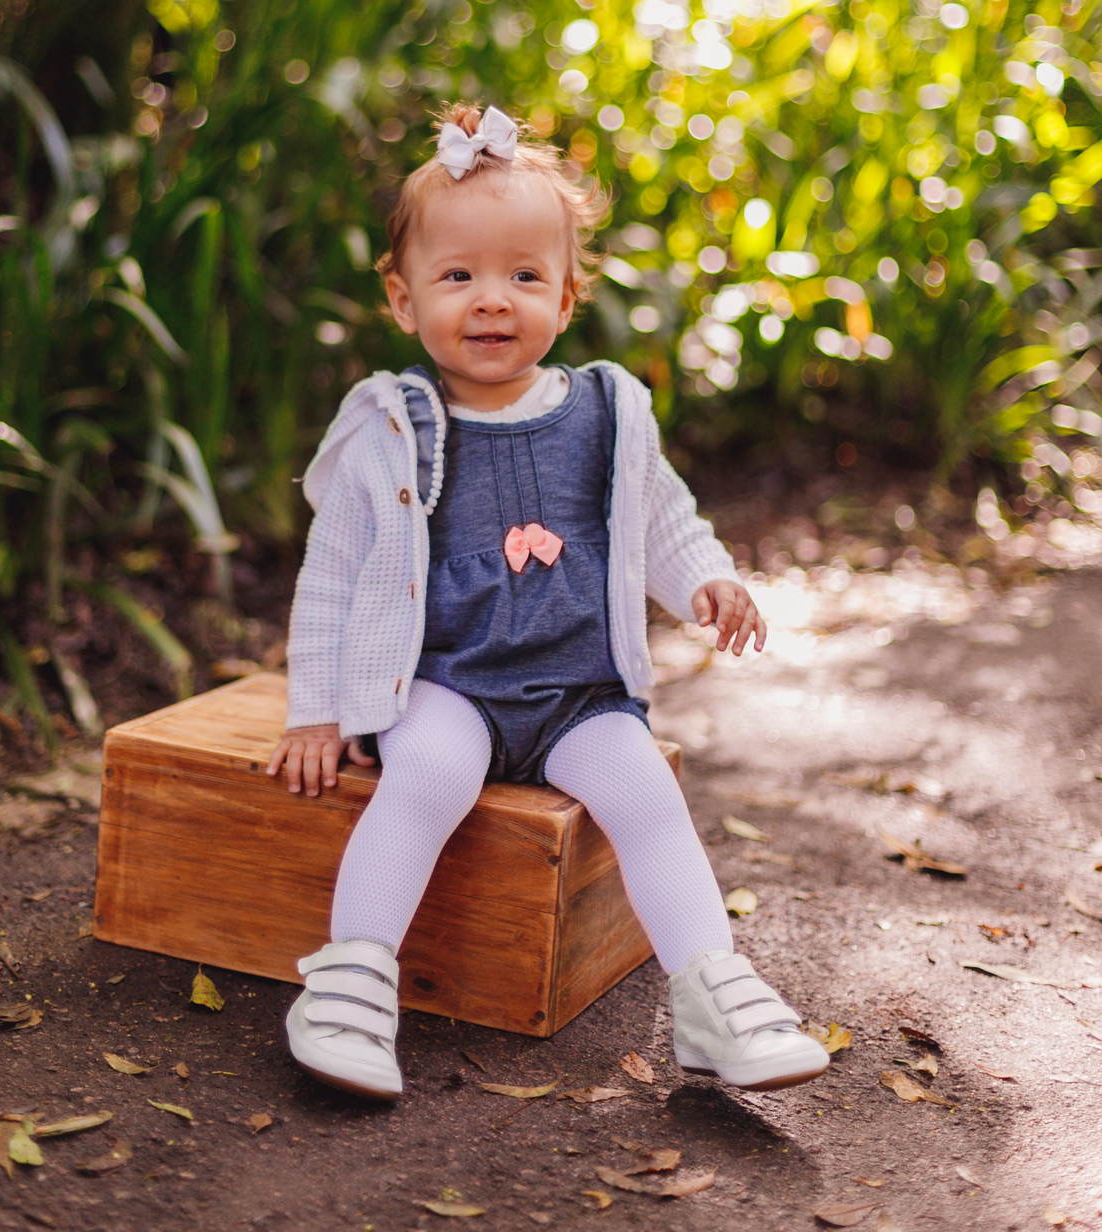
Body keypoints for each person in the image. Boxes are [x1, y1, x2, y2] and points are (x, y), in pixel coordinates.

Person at [268, 103, 829, 1101]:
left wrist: (707, 579)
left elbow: (661, 519)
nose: (493, 301)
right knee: (427, 777)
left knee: (648, 797)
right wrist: (316, 706)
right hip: (447, 682)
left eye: (524, 276)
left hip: (580, 690)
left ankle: (711, 991)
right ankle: (352, 981)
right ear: (403, 300)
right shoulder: (394, 425)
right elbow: (335, 572)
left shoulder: (607, 412)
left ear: (568, 297)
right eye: (459, 276)